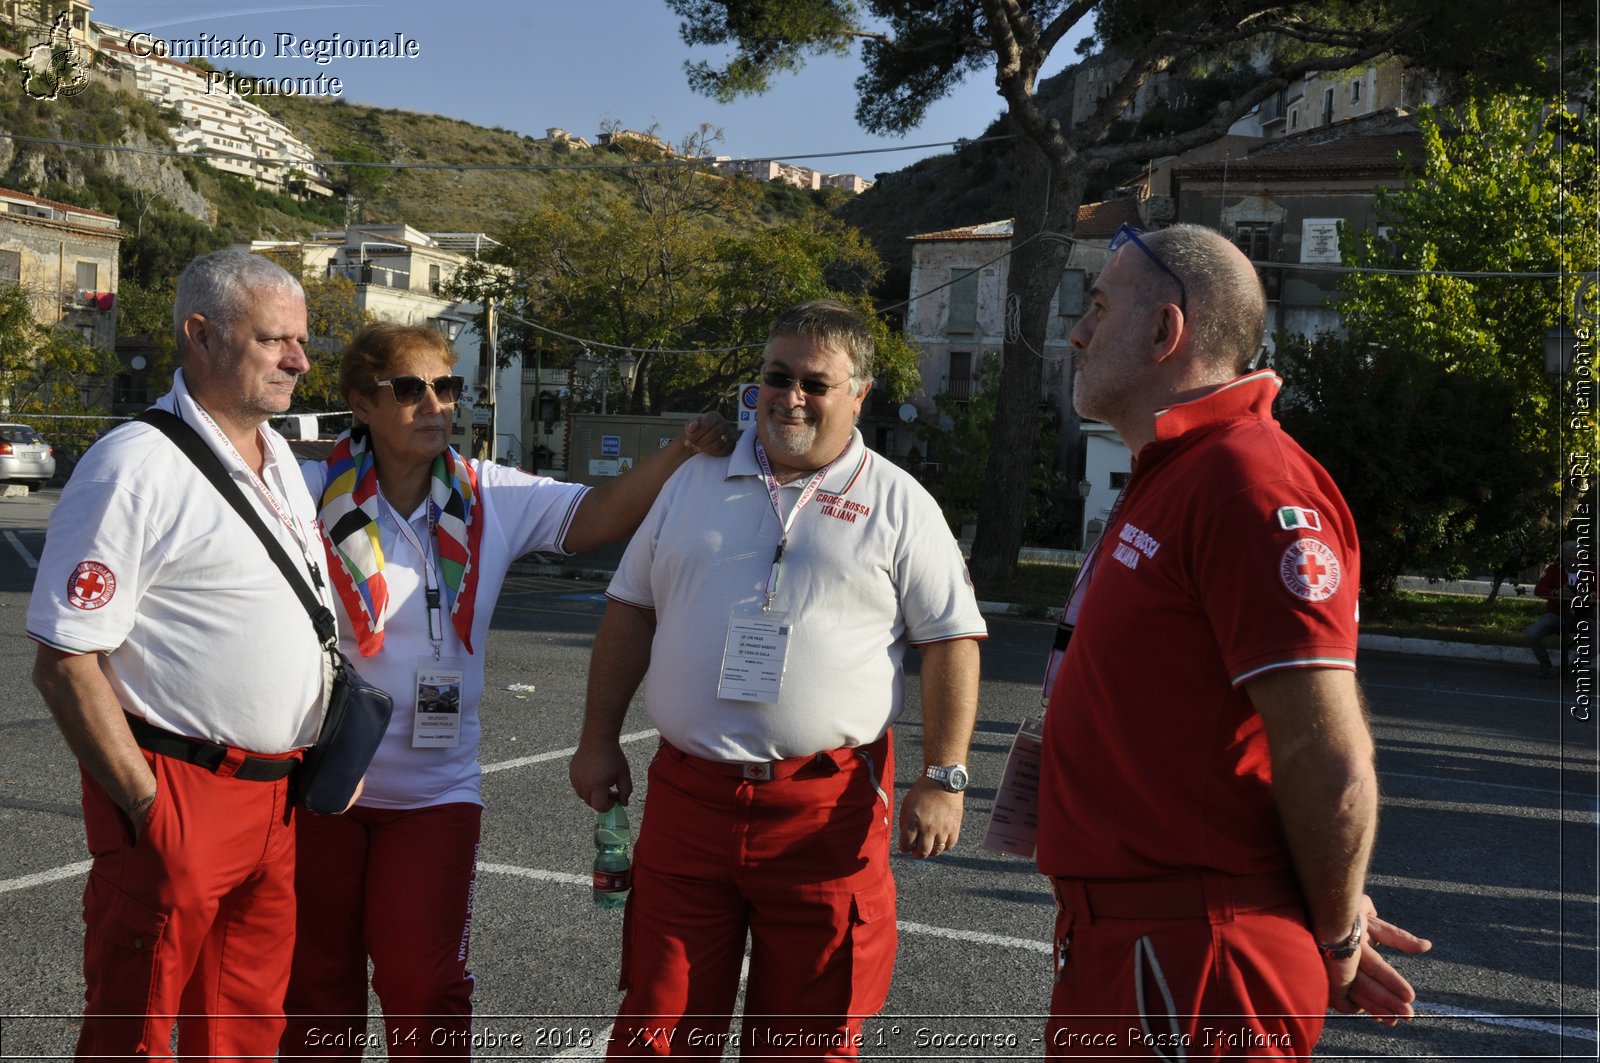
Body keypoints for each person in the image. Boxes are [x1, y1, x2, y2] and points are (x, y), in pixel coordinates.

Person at [279, 323, 734, 1059]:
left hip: (434, 792)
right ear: (361, 402)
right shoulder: (302, 493)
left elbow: (597, 515)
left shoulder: (486, 492)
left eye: (446, 387)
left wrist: (681, 451)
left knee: (424, 985)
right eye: (410, 388)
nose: (435, 404)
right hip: (321, 785)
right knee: (316, 989)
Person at [1037, 224, 1431, 1058]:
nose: (1077, 331)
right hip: (1133, 940)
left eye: (1097, 308)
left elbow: (1326, 752)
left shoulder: (1247, 481)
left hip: (1194, 955)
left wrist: (1334, 931)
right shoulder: (1177, 470)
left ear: (1164, 331)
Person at [570, 299, 986, 1058]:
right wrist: (597, 738)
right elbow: (630, 612)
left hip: (824, 813)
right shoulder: (691, 483)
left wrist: (945, 774)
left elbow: (953, 639)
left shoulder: (899, 501)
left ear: (860, 394)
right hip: (690, 801)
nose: (791, 396)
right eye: (777, 376)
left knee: (807, 1039)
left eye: (816, 383)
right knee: (656, 1031)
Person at [27, 249, 330, 1059]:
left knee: (239, 1031)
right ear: (200, 335)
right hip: (181, 790)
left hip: (275, 799)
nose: (300, 360)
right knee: (142, 1027)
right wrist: (146, 806)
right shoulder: (134, 463)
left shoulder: (282, 463)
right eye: (274, 340)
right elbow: (63, 659)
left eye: (301, 340)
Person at [1525, 541, 1583, 677]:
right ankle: (1544, 662)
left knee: (1596, 640)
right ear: (1563, 559)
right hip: (1556, 614)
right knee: (1532, 633)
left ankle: (1576, 665)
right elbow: (1539, 589)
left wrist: (1588, 595)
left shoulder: (1592, 571)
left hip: (1583, 616)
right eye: (1570, 559)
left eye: (1577, 558)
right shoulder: (1552, 570)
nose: (1573, 562)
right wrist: (1556, 593)